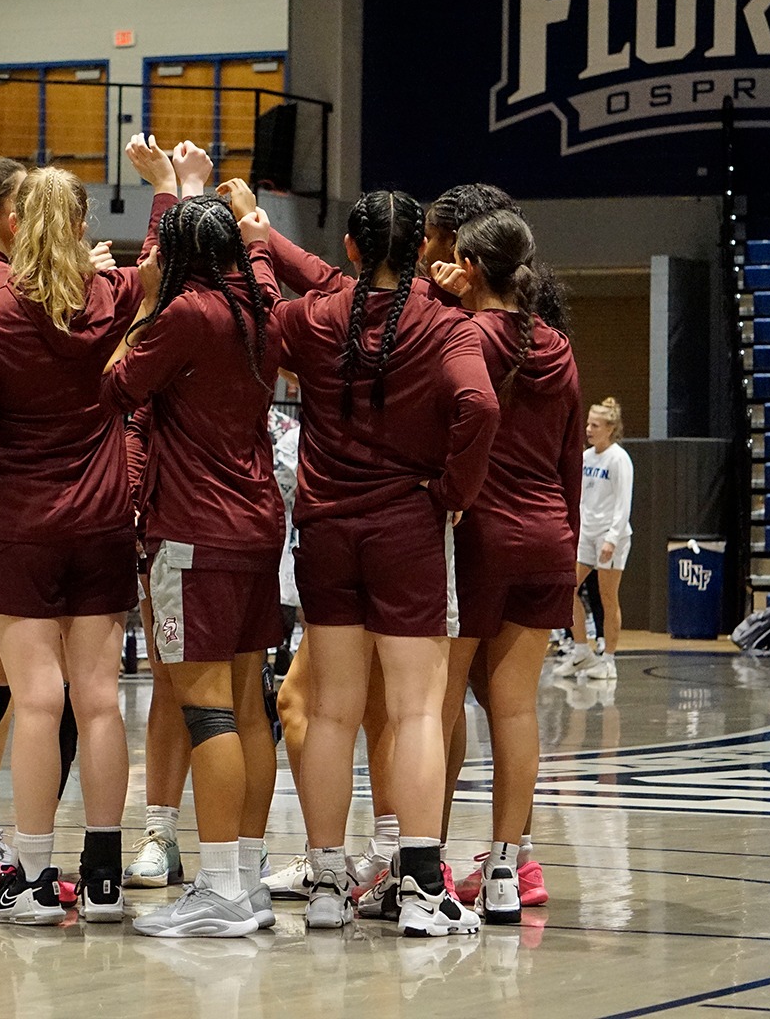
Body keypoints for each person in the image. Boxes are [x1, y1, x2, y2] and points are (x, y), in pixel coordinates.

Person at [0, 150, 173, 927]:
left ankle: (36, 880)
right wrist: (166, 193)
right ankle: (103, 879)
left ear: (16, 224)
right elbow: (159, 263)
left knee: (37, 702)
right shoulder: (106, 296)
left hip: (23, 523)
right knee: (100, 702)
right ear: (79, 226)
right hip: (106, 517)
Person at [265, 189, 499, 937]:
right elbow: (482, 407)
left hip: (327, 531)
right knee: (416, 709)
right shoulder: (445, 323)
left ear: (351, 248)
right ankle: (424, 887)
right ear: (423, 251)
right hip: (407, 528)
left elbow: (272, 322)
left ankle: (329, 883)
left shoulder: (308, 318)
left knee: (331, 710)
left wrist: (259, 244)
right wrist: (454, 489)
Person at [102, 177, 286, 937]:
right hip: (256, 524)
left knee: (205, 709)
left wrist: (141, 302)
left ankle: (217, 892)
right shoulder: (261, 310)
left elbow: (115, 383)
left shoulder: (184, 314)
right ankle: (245, 881)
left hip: (192, 531)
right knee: (249, 709)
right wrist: (255, 231)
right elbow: (267, 268)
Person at [430, 208, 581, 925]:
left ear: (470, 264)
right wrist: (571, 549)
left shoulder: (464, 334)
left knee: (440, 702)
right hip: (549, 538)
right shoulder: (559, 346)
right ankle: (504, 868)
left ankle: (421, 867)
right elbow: (569, 462)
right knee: (517, 708)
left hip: (478, 536)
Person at [557, 396, 633, 681]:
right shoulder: (585, 458)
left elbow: (623, 504)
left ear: (610, 429)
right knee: (567, 590)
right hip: (585, 534)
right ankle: (581, 652)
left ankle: (609, 660)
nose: (588, 429)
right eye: (587, 424)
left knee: (607, 596)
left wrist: (612, 538)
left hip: (610, 536)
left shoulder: (619, 459)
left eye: (595, 425)